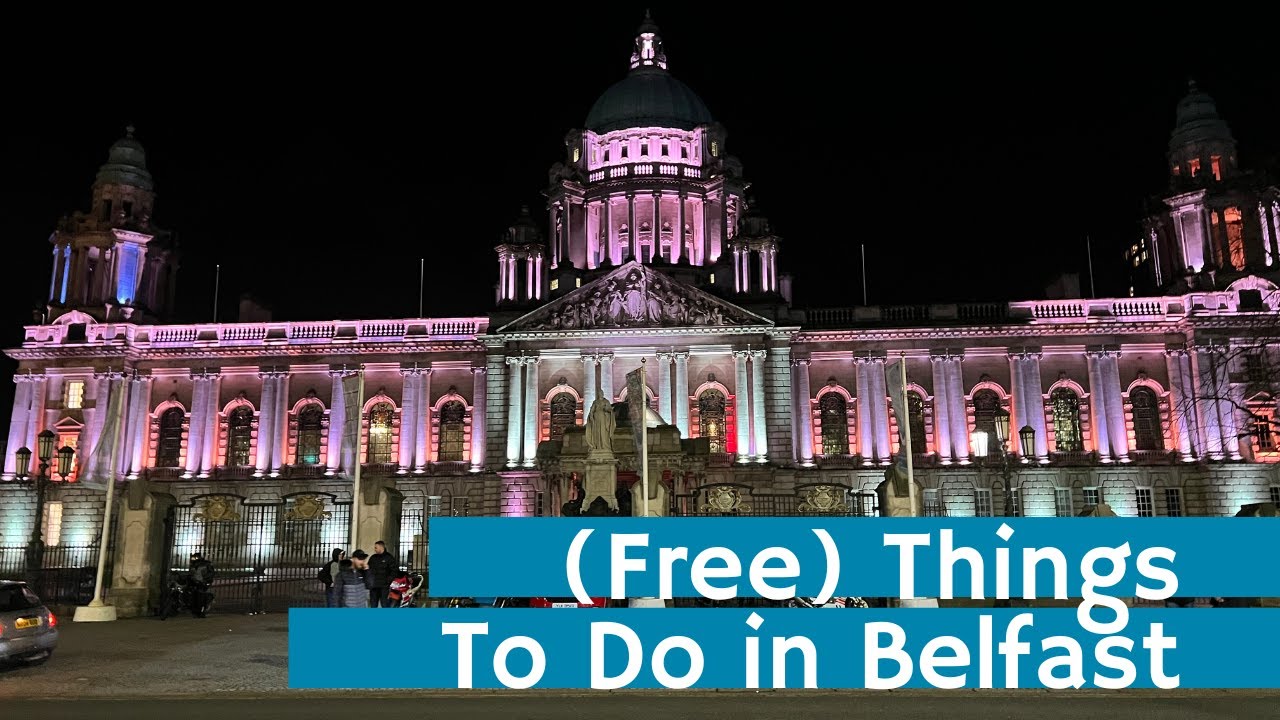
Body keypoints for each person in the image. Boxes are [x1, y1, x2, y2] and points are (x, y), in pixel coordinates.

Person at [367, 541, 398, 608]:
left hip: (384, 587)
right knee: (373, 605)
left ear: (381, 547)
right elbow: (369, 570)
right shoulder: (373, 558)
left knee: (385, 605)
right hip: (374, 587)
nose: (374, 549)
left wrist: (388, 581)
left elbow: (394, 571)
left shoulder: (389, 558)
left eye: (376, 548)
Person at [187, 552, 215, 618]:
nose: (194, 559)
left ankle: (201, 612)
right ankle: (193, 609)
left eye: (195, 557)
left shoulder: (206, 563)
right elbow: (191, 573)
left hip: (203, 582)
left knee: (201, 596)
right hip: (194, 582)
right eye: (193, 558)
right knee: (192, 593)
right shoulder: (193, 565)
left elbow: (211, 573)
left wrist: (205, 580)